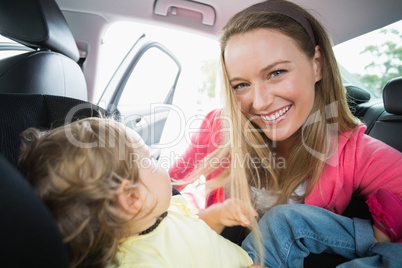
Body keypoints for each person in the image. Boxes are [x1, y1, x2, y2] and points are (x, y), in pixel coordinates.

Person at [168, 0, 402, 266]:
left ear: (317, 64)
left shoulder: (355, 152)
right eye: (241, 84)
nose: (259, 102)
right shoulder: (219, 126)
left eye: (276, 72)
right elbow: (166, 190)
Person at [17, 117, 260, 268]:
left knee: (282, 220)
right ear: (132, 198)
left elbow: (197, 233)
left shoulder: (164, 212)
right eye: (151, 160)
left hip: (245, 258)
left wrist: (217, 216)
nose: (160, 164)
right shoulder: (142, 261)